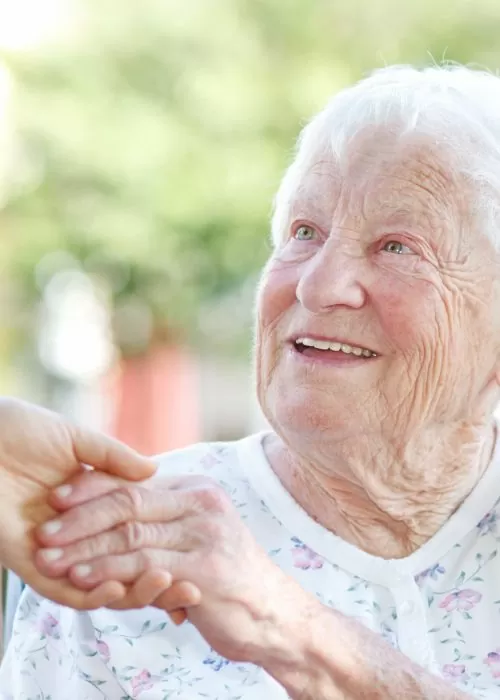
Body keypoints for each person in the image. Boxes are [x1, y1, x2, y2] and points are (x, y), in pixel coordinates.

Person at [3, 63, 500, 699]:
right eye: (304, 232)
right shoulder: (130, 542)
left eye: (397, 247)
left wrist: (292, 629)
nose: (318, 285)